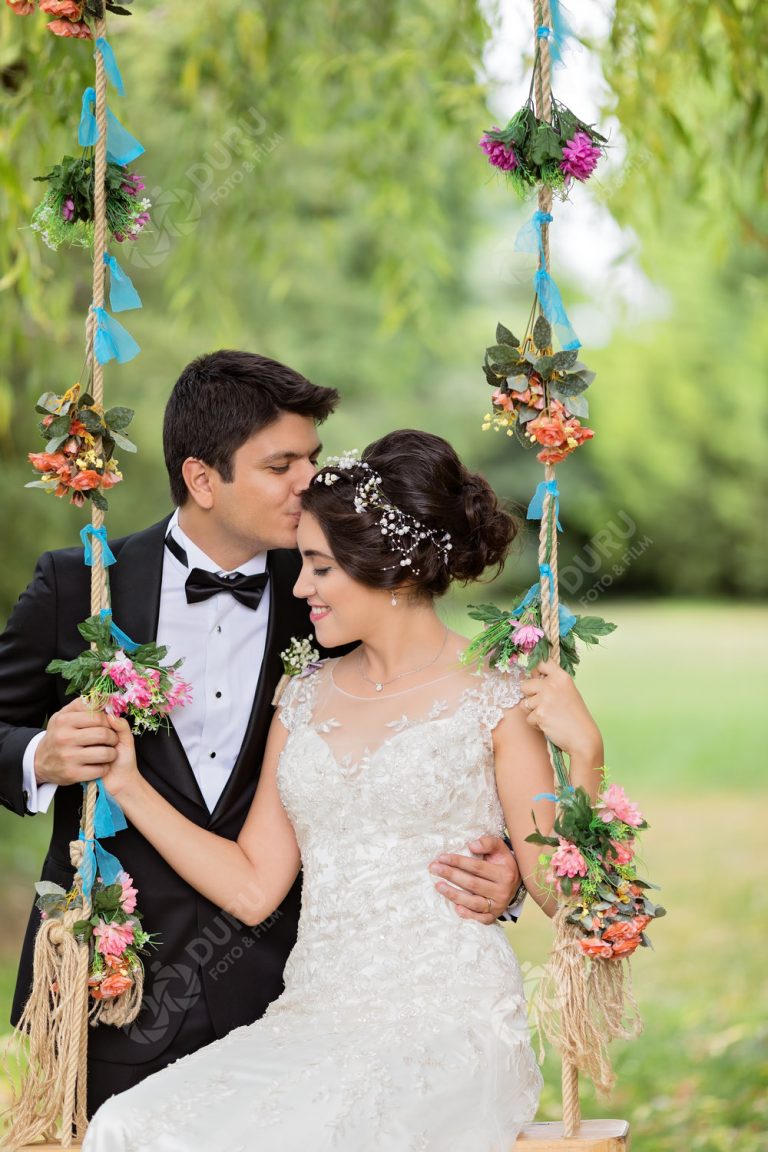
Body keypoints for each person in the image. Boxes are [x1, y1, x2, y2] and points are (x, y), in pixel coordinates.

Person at [0, 352, 522, 1117]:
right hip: (115, 989)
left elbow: (440, 721)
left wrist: (505, 870)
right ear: (204, 478)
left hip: (297, 995)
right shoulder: (82, 584)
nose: (309, 482)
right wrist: (40, 756)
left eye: (312, 458)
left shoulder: (336, 588)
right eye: (282, 465)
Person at [82, 429, 605, 1151]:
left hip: (450, 1025)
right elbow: (255, 883)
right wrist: (129, 785)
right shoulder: (302, 695)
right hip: (313, 1017)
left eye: (321, 569)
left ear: (388, 571)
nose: (300, 588)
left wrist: (586, 757)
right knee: (127, 1125)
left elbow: (570, 900)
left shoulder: (500, 697)